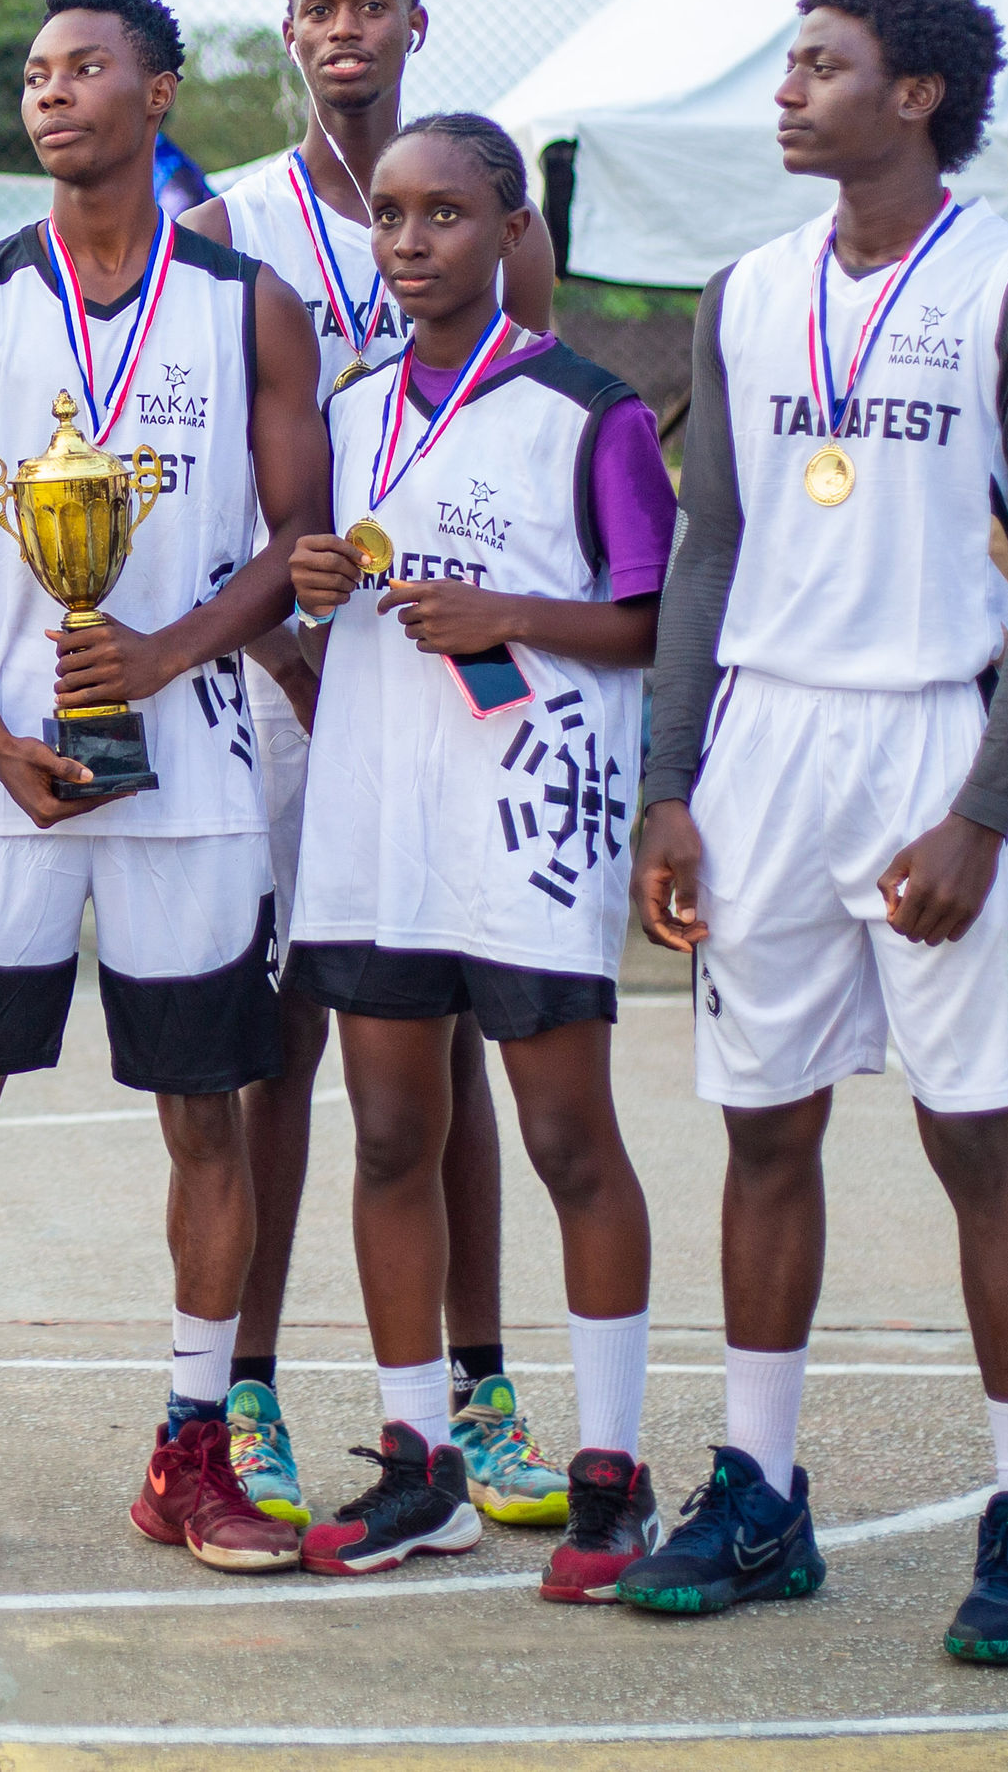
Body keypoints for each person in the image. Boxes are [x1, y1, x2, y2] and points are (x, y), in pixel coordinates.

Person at [631, 0, 1008, 1665]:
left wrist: (989, 809)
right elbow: (708, 545)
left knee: (972, 1127)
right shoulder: (747, 292)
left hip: (932, 737)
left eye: (822, 63)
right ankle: (760, 1486)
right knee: (764, 1121)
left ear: (913, 93)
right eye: (788, 60)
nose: (787, 87)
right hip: (768, 744)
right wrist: (671, 780)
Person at [0, 0, 323, 1577]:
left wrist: (171, 648)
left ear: (163, 94)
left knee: (211, 1110)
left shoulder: (249, 303)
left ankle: (193, 1447)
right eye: (37, 72)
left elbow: (300, 541)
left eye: (85, 67)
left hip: (190, 763)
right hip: (8, 772)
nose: (52, 93)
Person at [179, 0, 570, 1531]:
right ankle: (252, 1389)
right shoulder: (233, 217)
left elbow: (534, 439)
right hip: (287, 678)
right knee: (275, 1045)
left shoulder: (487, 207)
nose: (344, 28)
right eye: (316, 8)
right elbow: (204, 463)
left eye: (370, 4)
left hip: (433, 674)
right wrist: (282, 655)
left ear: (417, 20)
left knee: (445, 1038)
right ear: (289, 34)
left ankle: (474, 1386)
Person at [274, 113, 669, 1600]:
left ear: (512, 230)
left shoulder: (588, 413)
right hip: (383, 814)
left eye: (448, 213)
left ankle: (613, 1470)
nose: (413, 240)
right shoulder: (357, 405)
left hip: (526, 820)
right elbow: (341, 597)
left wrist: (513, 610)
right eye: (390, 214)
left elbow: (650, 621)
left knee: (569, 1141)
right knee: (388, 1136)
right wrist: (316, 585)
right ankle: (420, 1457)